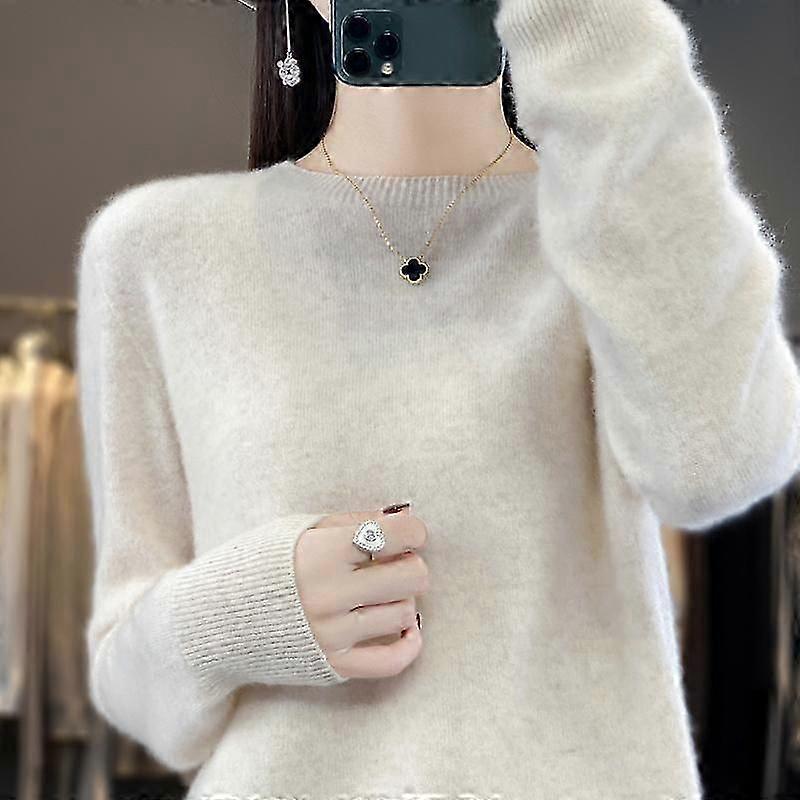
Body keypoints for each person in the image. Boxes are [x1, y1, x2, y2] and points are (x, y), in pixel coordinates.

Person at [74, 0, 800, 797]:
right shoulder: (155, 251)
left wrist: (594, 29)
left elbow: (722, 464)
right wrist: (253, 608)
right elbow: (129, 684)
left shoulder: (616, 228)